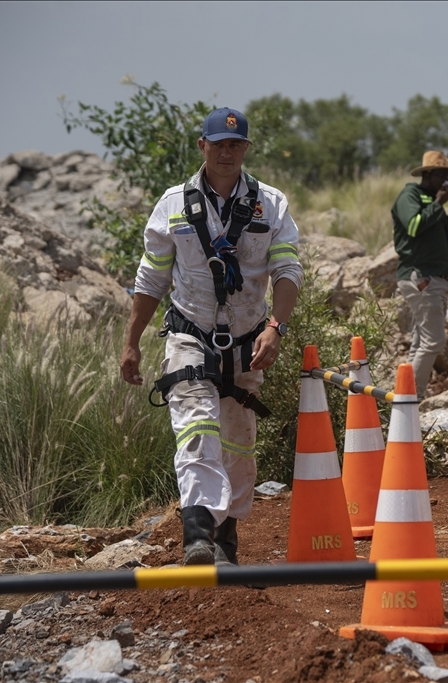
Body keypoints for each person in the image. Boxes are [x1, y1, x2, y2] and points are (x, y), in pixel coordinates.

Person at [120, 107, 302, 566]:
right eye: (218, 143)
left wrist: (275, 328)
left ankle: (226, 542)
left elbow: (287, 270)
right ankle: (197, 537)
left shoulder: (271, 204)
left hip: (248, 341)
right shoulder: (173, 205)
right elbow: (151, 280)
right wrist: (131, 342)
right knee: (197, 430)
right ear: (202, 146)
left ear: (245, 149)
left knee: (238, 443)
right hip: (189, 334)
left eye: (236, 144)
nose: (227, 151)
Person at [392, 150, 448, 400]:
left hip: (437, 278)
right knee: (433, 342)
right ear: (429, 175)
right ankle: (411, 399)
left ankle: (404, 396)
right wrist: (438, 204)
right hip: (421, 276)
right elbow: (413, 226)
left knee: (421, 341)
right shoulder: (411, 195)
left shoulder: (434, 200)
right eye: (444, 176)